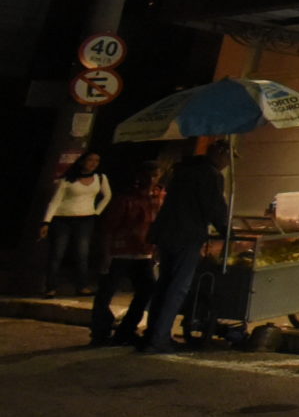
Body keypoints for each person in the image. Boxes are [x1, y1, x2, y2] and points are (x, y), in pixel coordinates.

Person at [139, 141, 233, 354]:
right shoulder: (209, 175)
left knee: (165, 283)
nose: (228, 164)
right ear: (219, 154)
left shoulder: (183, 170)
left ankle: (153, 333)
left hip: (168, 231)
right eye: (227, 158)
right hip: (186, 234)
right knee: (177, 286)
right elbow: (213, 205)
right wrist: (226, 229)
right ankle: (159, 338)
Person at [90, 164, 164, 347]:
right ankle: (100, 331)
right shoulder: (126, 199)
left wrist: (155, 249)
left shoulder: (156, 199)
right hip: (120, 252)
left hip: (143, 252)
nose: (153, 179)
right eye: (150, 175)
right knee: (106, 293)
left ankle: (126, 330)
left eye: (156, 175)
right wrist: (106, 254)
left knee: (146, 291)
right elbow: (108, 228)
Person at [42, 151, 111, 296]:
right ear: (82, 161)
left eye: (96, 161)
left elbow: (107, 196)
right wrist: (46, 222)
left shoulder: (100, 177)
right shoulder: (67, 179)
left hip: (85, 218)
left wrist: (96, 212)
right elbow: (55, 201)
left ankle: (81, 286)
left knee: (82, 253)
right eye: (90, 160)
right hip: (63, 218)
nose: (93, 163)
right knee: (57, 253)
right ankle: (50, 287)